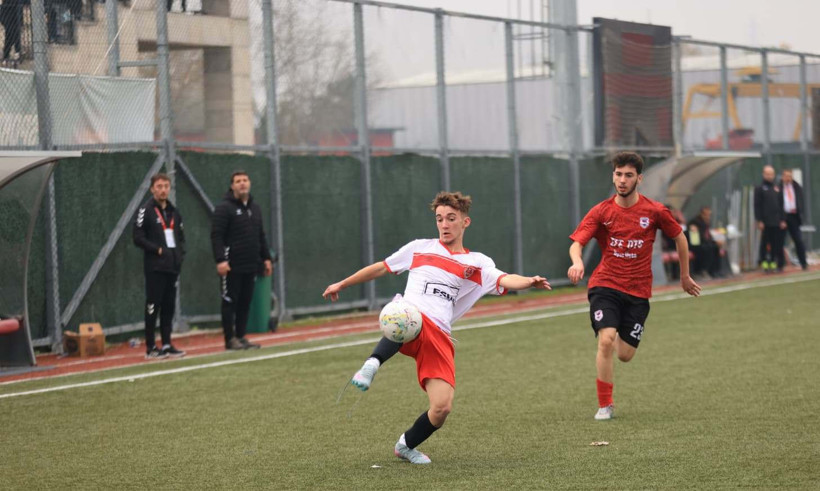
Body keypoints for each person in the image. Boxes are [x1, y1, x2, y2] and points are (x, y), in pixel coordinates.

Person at [323, 191, 550, 465]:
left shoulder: (477, 262)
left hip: (438, 335)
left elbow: (504, 278)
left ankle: (406, 445)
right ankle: (371, 364)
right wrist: (343, 284)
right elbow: (381, 268)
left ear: (465, 222)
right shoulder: (419, 248)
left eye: (451, 218)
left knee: (442, 407)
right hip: (412, 316)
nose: (444, 224)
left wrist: (529, 281)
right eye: (439, 219)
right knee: (404, 316)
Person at [567, 151, 701, 421]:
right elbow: (577, 243)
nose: (622, 180)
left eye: (628, 175)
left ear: (639, 179)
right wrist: (577, 262)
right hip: (605, 285)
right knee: (606, 341)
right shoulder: (601, 211)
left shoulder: (654, 211)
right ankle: (605, 405)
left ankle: (615, 329)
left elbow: (680, 238)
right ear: (613, 176)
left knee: (625, 355)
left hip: (638, 292)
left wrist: (684, 276)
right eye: (618, 174)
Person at [210, 170, 273, 350]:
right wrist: (221, 260)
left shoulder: (255, 208)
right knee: (230, 301)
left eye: (245, 180)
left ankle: (241, 336)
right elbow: (216, 236)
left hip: (251, 263)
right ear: (232, 186)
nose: (242, 183)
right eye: (238, 181)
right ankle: (230, 339)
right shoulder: (224, 208)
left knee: (245, 301)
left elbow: (260, 235)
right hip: (232, 265)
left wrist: (266, 258)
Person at [133, 173, 187, 359]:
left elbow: (181, 237)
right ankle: (150, 348)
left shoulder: (174, 212)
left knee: (168, 306)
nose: (163, 190)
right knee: (153, 305)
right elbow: (137, 237)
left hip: (172, 267)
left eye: (166, 186)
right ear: (152, 189)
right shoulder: (145, 210)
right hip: (155, 267)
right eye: (159, 186)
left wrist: (180, 255)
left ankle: (167, 344)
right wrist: (157, 250)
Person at [754, 165, 786, 273]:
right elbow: (757, 205)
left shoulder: (777, 188)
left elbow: (781, 204)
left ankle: (773, 261)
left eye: (771, 174)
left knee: (775, 243)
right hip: (765, 221)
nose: (769, 176)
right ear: (763, 174)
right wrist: (759, 220)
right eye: (767, 174)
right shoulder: (760, 188)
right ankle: (764, 262)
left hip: (776, 221)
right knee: (764, 243)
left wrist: (782, 219)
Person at [779, 168, 808, 270]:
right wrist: (781, 219)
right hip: (783, 217)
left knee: (798, 240)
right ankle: (780, 265)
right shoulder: (778, 188)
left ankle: (803, 263)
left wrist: (801, 214)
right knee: (780, 242)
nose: (788, 178)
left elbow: (801, 201)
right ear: (783, 177)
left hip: (794, 217)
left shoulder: (796, 187)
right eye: (786, 176)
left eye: (790, 176)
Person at [687, 206, 724, 279]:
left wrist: (715, 242)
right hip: (695, 244)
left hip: (704, 243)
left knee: (715, 247)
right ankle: (702, 270)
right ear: (701, 214)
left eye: (709, 215)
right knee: (708, 248)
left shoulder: (706, 222)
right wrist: (711, 242)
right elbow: (698, 237)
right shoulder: (694, 222)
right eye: (706, 214)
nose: (708, 217)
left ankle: (715, 270)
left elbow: (708, 236)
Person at [1, 0, 22, 64]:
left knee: (14, 33)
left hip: (14, 10)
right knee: (11, 32)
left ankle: (14, 53)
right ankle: (13, 53)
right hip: (7, 10)